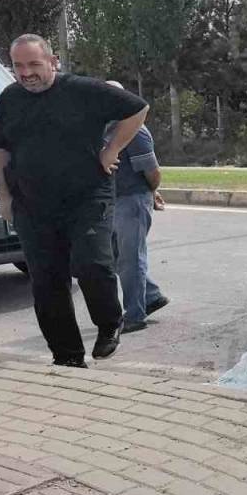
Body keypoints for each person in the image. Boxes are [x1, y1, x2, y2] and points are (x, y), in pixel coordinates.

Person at [0, 34, 149, 367]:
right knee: (47, 282)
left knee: (91, 263)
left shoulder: (83, 90)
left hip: (87, 197)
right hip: (32, 204)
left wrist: (112, 149)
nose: (26, 73)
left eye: (34, 64)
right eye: (18, 66)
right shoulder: (8, 99)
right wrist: (4, 197)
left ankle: (109, 323)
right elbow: (1, 150)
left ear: (53, 61)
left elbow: (137, 108)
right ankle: (67, 357)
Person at [104, 80, 169, 333]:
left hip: (132, 200)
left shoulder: (136, 131)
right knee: (117, 256)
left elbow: (152, 172)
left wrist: (152, 193)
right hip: (112, 201)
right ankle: (151, 296)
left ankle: (134, 315)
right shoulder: (106, 129)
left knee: (131, 259)